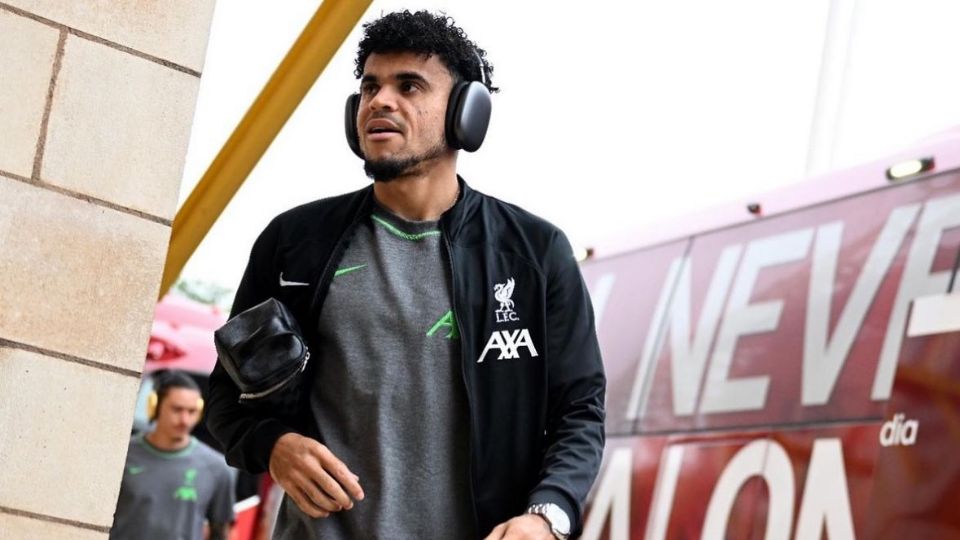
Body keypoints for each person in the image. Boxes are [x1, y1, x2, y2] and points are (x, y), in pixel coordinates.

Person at [206, 10, 606, 540]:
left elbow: (580, 412)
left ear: (466, 113)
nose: (380, 101)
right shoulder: (293, 243)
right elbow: (225, 399)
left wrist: (546, 516)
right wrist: (274, 446)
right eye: (369, 87)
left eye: (409, 86)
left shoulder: (534, 253)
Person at [111, 370, 235, 540]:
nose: (185, 420)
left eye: (192, 411)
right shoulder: (121, 456)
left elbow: (220, 533)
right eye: (177, 409)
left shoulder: (217, 469)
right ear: (154, 406)